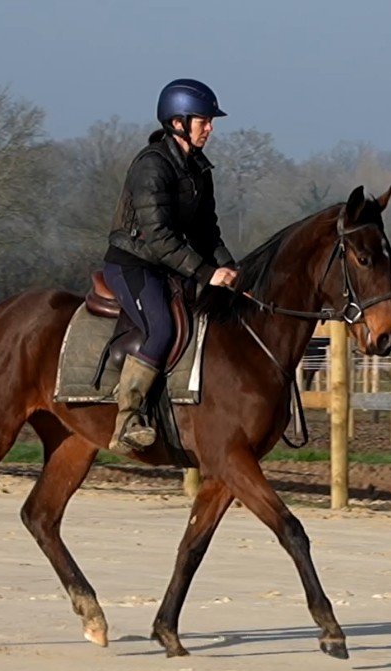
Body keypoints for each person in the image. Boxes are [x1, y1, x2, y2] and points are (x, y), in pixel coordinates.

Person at [102, 78, 238, 453]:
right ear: (178, 122)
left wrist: (231, 269)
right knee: (161, 328)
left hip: (171, 265)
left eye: (210, 122)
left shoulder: (198, 169)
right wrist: (207, 272)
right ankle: (127, 420)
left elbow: (207, 231)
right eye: (203, 121)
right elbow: (158, 237)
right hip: (133, 264)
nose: (209, 128)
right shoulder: (151, 167)